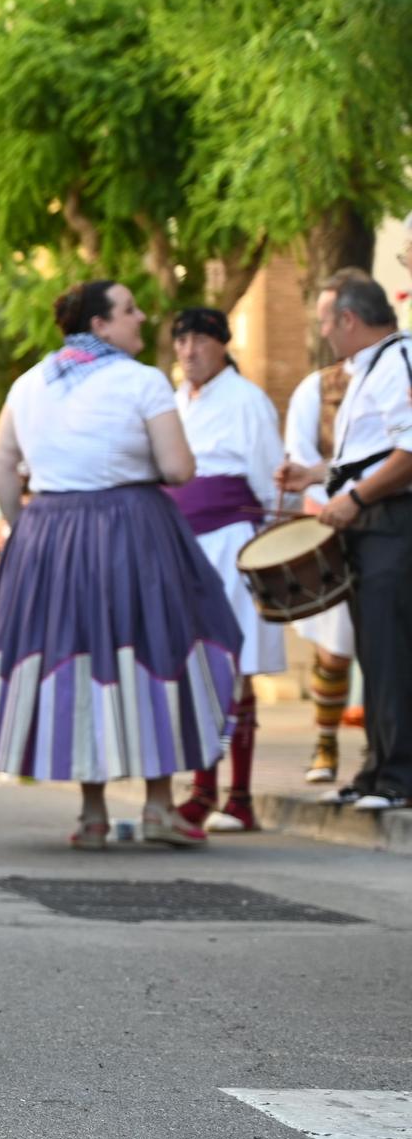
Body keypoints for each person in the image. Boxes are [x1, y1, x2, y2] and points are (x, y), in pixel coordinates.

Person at [0, 280, 241, 848]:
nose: (142, 316)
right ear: (101, 325)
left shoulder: (31, 382)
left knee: (76, 659)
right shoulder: (143, 381)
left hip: (50, 534)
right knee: (152, 652)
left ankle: (93, 813)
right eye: (130, 309)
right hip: (133, 528)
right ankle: (158, 805)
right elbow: (179, 468)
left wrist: (25, 525)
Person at [276, 269, 412, 811]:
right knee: (374, 652)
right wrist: (318, 478)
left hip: (392, 521)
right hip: (369, 521)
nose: (325, 333)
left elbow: (408, 453)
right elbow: (369, 456)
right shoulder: (367, 369)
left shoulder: (399, 360)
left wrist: (354, 500)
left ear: (350, 320)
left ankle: (399, 776)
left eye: (327, 322)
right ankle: (377, 768)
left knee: (392, 649)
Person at [161, 309, 284, 831]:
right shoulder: (172, 402)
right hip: (181, 545)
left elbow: (269, 481)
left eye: (198, 340)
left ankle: (240, 796)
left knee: (233, 666)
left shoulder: (248, 401)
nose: (188, 350)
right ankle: (202, 788)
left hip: (232, 541)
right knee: (191, 668)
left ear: (220, 344)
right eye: (181, 340)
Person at [281, 341, 357, 785]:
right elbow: (301, 458)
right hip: (334, 527)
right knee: (333, 648)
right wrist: (345, 501)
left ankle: (387, 747)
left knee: (392, 648)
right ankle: (326, 743)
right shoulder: (318, 387)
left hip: (395, 523)